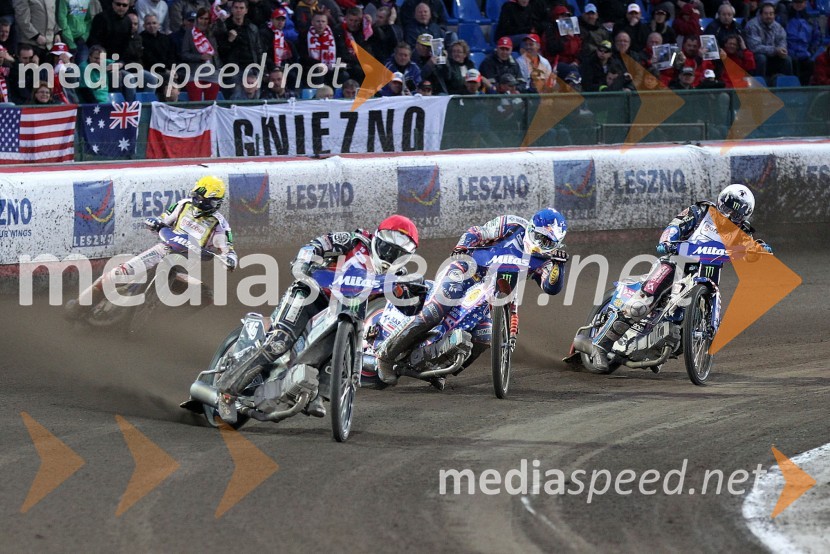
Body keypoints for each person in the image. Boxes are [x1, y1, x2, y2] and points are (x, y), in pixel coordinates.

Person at [241, 215, 420, 416]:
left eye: (400, 254)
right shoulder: (353, 241)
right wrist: (304, 262)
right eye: (390, 248)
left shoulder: (398, 276)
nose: (392, 255)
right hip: (312, 294)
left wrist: (416, 297)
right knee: (278, 340)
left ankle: (316, 394)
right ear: (378, 238)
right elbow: (316, 244)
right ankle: (239, 367)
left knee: (334, 351)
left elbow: (407, 309)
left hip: (346, 313)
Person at [585, 184, 773, 371]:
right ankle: (600, 345)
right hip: (677, 261)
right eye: (728, 207)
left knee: (689, 322)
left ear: (744, 216)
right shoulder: (701, 211)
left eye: (737, 213)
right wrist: (667, 240)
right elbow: (675, 225)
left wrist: (761, 250)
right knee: (640, 304)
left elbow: (752, 248)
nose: (730, 214)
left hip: (709, 271)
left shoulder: (742, 232)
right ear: (721, 202)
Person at [375, 209, 569, 385]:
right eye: (540, 238)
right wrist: (462, 247)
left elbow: (550, 287)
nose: (541, 246)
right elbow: (479, 232)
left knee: (484, 337)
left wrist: (559, 265)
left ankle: (437, 369)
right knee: (436, 310)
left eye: (549, 243)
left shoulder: (546, 260)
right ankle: (386, 356)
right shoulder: (512, 225)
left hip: (491, 293)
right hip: (466, 271)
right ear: (532, 228)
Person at [65, 176, 238, 319]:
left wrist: (230, 259)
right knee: (115, 275)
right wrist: (155, 222)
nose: (196, 200)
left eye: (201, 199)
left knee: (205, 296)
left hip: (184, 267)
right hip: (162, 251)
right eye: (196, 196)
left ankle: (167, 321)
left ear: (214, 202)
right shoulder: (183, 205)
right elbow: (163, 219)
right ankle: (79, 305)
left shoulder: (219, 224)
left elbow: (227, 249)